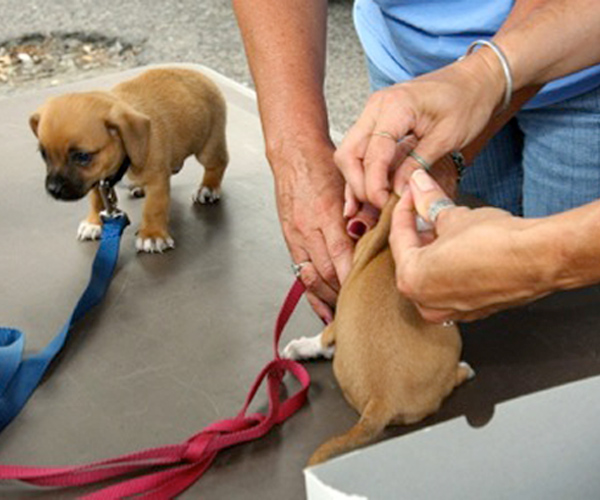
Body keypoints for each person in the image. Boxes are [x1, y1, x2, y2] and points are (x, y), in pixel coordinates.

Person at [232, 0, 600, 323]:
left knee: (572, 328)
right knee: (456, 293)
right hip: (414, 68)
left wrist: (534, 261)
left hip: (582, 56)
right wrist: (296, 151)